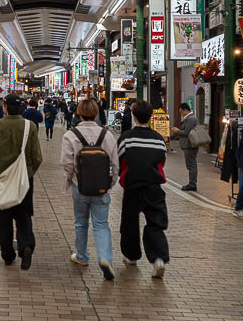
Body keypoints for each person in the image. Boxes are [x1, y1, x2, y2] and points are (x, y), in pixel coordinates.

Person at [61, 99, 119, 280]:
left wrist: (70, 181)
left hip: (80, 187)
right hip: (102, 188)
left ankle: (82, 256)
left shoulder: (70, 135)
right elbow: (114, 164)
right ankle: (105, 258)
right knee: (101, 224)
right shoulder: (107, 135)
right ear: (96, 113)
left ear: (78, 113)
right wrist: (110, 183)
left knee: (80, 222)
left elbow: (67, 164)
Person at [0, 94, 43, 270]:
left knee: (5, 217)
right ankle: (26, 246)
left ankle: (7, 254)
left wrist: (0, 171)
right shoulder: (29, 126)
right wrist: (28, 173)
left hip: (4, 178)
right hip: (25, 179)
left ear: (5, 108)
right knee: (24, 215)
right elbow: (37, 157)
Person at [117, 100, 170, 279]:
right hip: (153, 187)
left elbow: (120, 160)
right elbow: (162, 161)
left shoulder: (126, 137)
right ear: (151, 116)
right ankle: (159, 259)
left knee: (129, 222)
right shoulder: (158, 138)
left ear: (133, 116)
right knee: (156, 223)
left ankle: (131, 256)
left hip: (132, 185)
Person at [172, 103, 199, 191]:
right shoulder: (189, 118)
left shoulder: (190, 118)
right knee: (191, 164)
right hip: (188, 144)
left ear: (185, 110)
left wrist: (177, 130)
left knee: (191, 164)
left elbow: (187, 132)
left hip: (189, 144)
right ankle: (192, 183)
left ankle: (192, 184)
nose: (181, 114)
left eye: (181, 112)